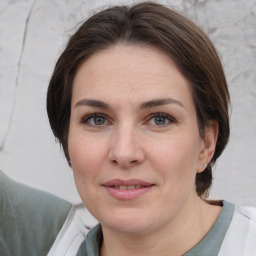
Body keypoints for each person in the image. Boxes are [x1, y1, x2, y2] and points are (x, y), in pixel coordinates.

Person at [1, 2, 255, 256]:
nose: (124, 152)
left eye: (159, 119)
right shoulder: (41, 240)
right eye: (97, 119)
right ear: (66, 138)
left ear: (206, 143)